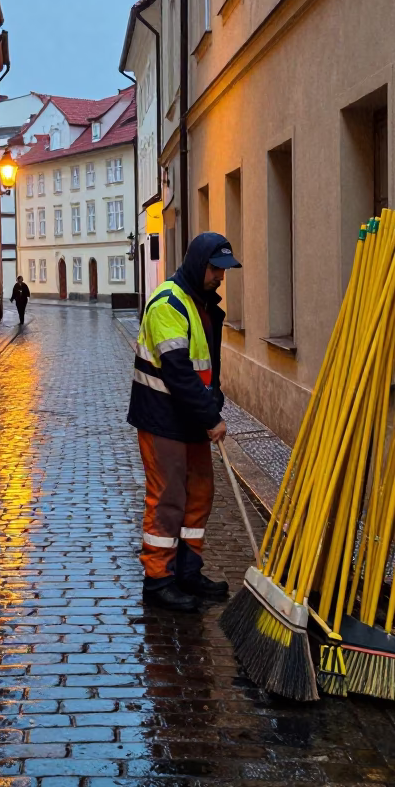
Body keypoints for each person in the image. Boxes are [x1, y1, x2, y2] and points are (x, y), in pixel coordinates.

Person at [127, 231, 242, 612]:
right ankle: (158, 580)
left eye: (223, 270)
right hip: (163, 417)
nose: (220, 277)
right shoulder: (168, 304)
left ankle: (188, 570)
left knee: (199, 492)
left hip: (190, 416)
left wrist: (215, 400)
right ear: (197, 263)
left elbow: (207, 366)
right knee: (168, 498)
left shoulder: (203, 304)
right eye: (214, 268)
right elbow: (177, 370)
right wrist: (211, 415)